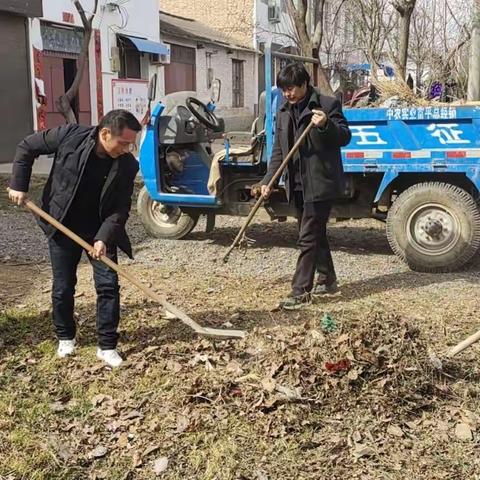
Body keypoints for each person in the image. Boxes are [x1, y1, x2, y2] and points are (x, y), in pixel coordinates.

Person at [8, 110, 142, 367]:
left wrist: (103, 238)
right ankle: (66, 337)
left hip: (100, 230)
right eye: (124, 143)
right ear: (105, 134)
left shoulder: (127, 165)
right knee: (63, 285)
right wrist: (19, 184)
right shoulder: (70, 136)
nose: (127, 149)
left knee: (108, 286)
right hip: (62, 224)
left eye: (131, 144)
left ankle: (107, 345)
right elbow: (27, 146)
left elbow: (120, 208)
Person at [254, 63, 351, 310]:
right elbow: (279, 150)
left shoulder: (327, 105)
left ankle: (300, 292)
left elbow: (344, 136)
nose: (288, 94)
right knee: (315, 233)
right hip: (295, 184)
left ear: (305, 84)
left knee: (307, 237)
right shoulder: (285, 110)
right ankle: (327, 278)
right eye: (284, 90)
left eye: (291, 89)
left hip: (320, 183)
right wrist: (268, 180)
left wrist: (325, 125)